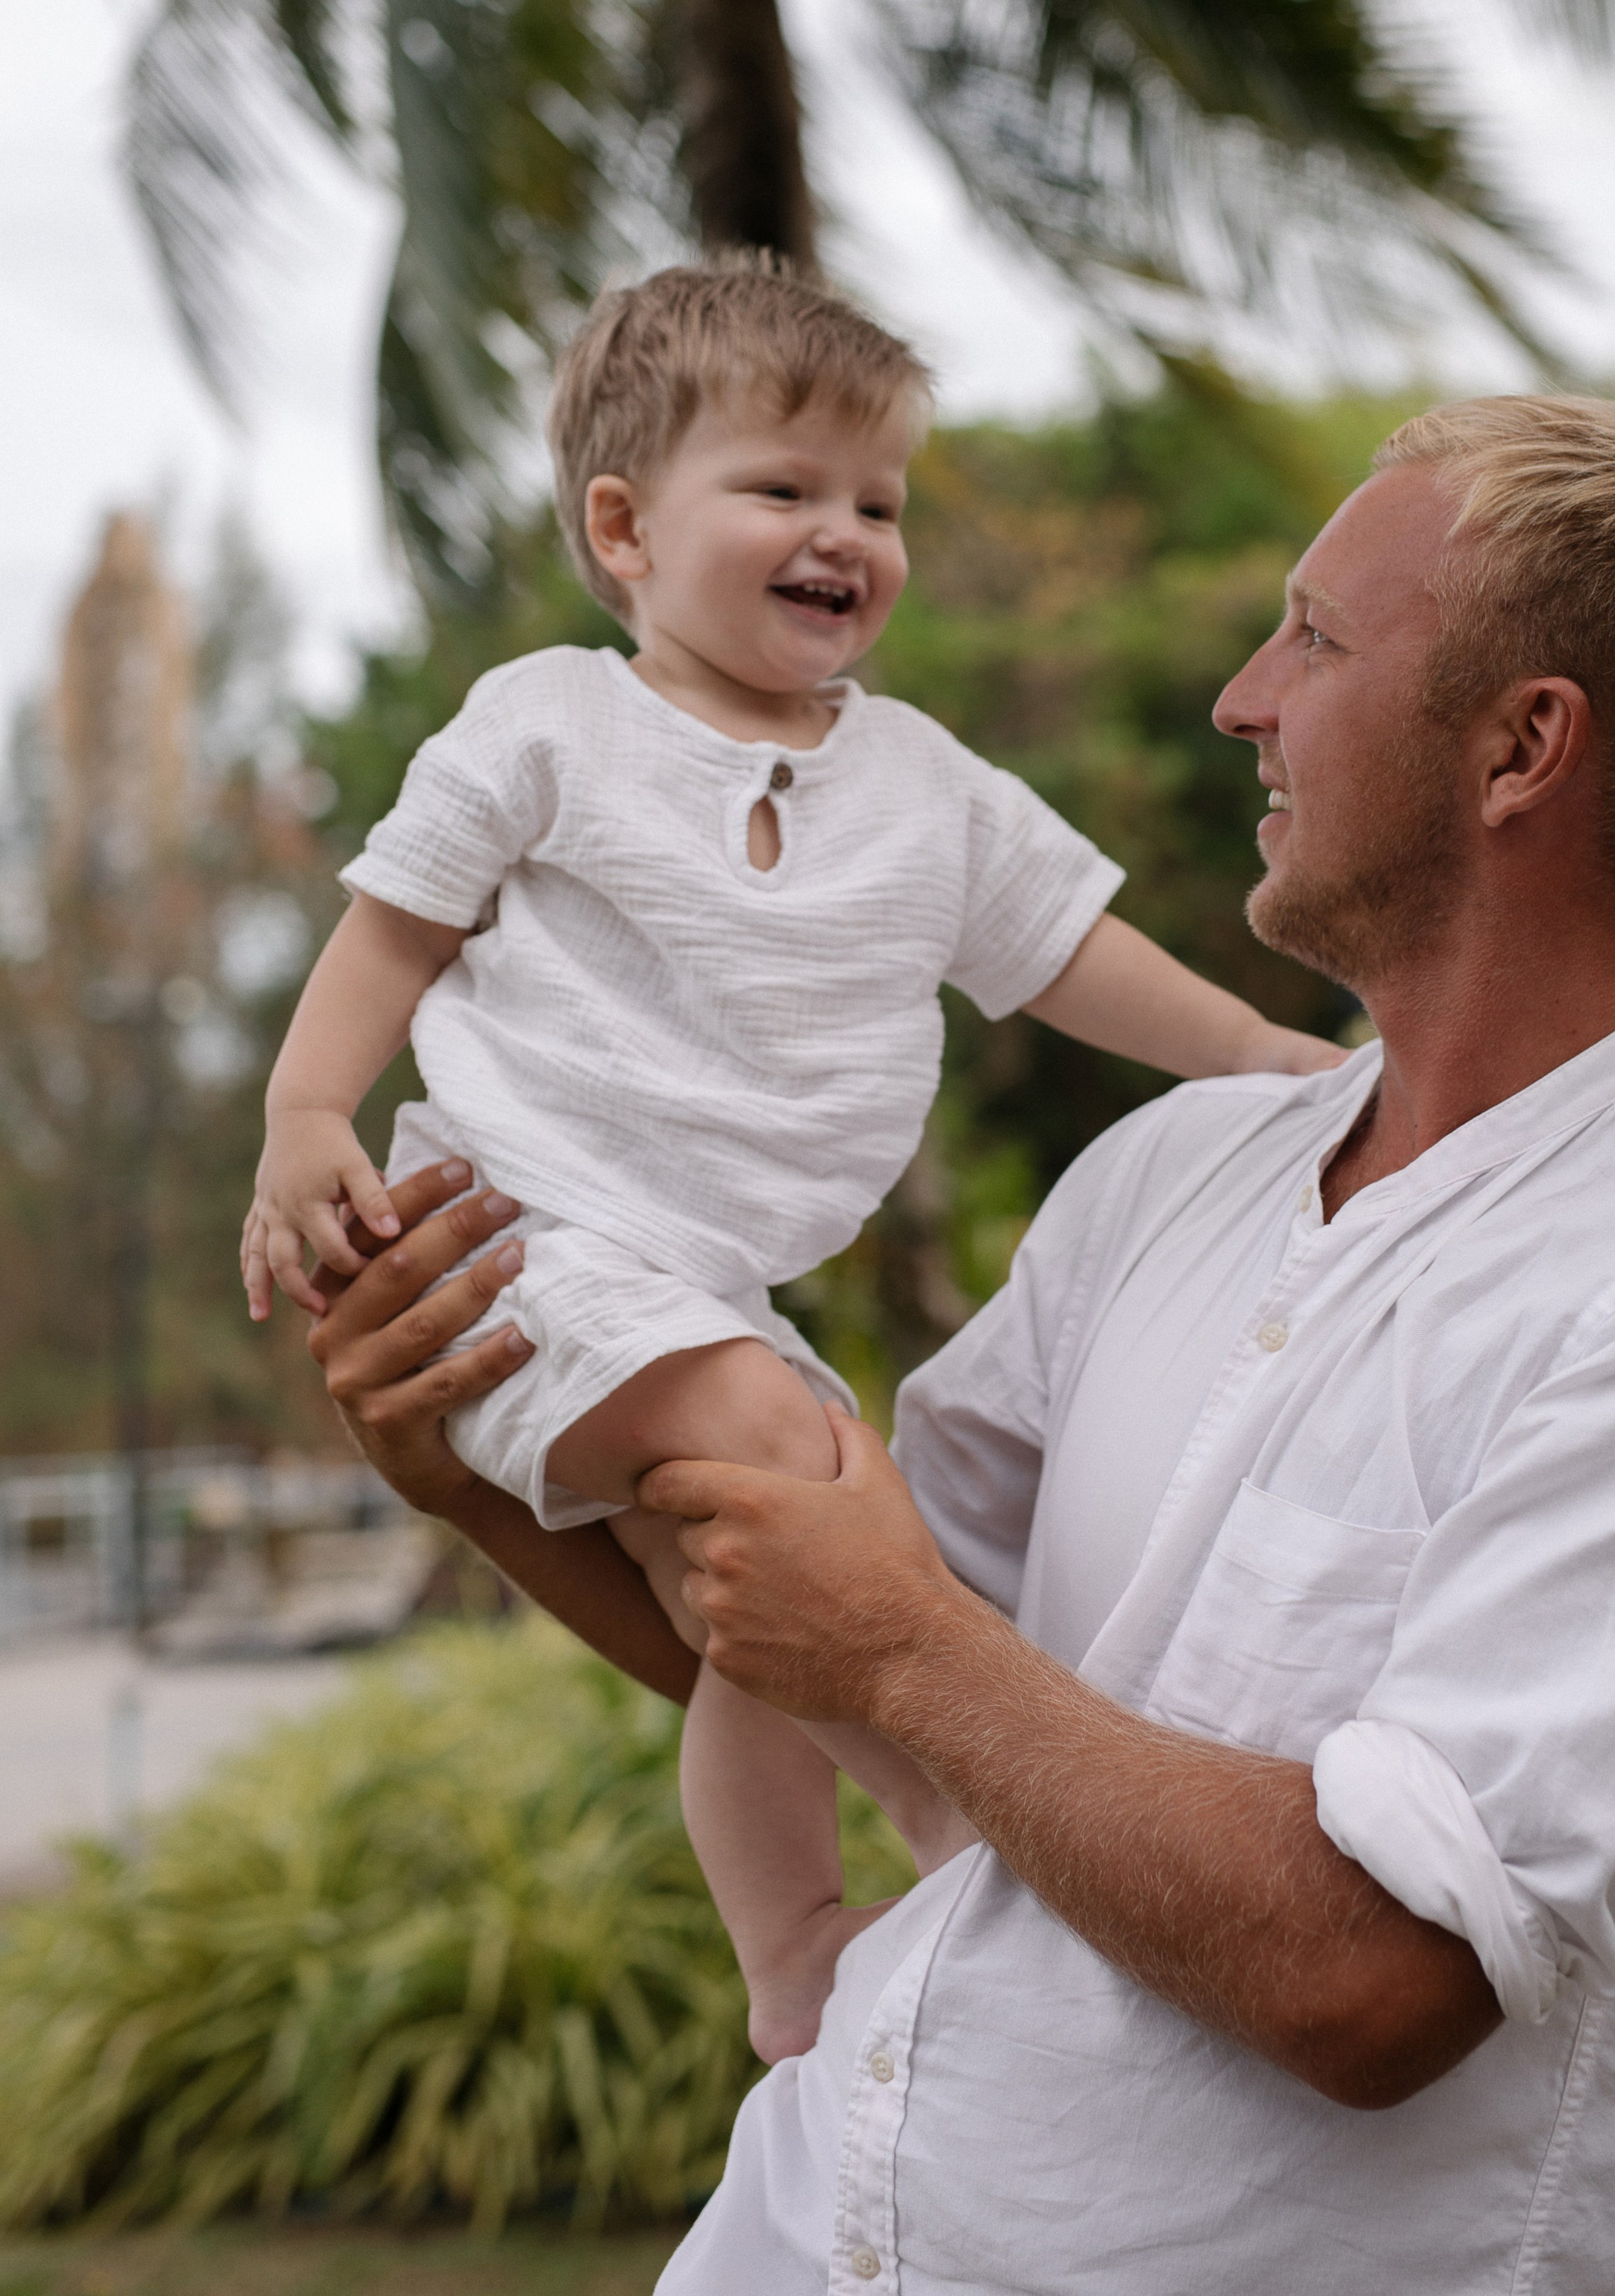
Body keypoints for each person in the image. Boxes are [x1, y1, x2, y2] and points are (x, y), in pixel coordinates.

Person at [306, 392, 1615, 2295]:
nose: (1242, 695)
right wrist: (472, 1472)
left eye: (1312, 638)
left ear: (1519, 747)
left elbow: (1371, 1979)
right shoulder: (1171, 1172)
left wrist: (902, 1645)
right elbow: (793, 1631)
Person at [242, 261, 1339, 2062]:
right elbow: (391, 932)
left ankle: (791, 1953)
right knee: (813, 1504)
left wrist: (1268, 1058)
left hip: (705, 1296)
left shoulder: (920, 782)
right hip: (521, 1242)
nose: (843, 533)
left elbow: (1068, 953)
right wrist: (304, 1123)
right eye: (782, 489)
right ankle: (953, 1817)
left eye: (877, 503)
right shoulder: (547, 724)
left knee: (781, 1581)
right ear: (624, 527)